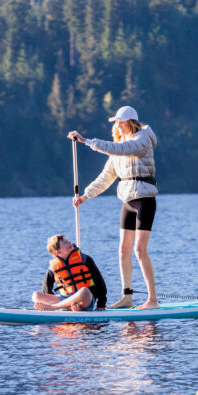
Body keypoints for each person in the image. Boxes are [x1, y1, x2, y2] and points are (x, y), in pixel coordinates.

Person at [68, 105, 158, 309]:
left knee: (140, 250)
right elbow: (106, 177)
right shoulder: (119, 146)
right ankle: (127, 298)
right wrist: (85, 196)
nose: (118, 126)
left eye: (122, 122)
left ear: (132, 123)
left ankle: (152, 300)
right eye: (117, 123)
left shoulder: (142, 139)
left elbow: (122, 149)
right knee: (123, 250)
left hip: (144, 199)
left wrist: (86, 141)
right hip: (127, 201)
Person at [32, 234, 107, 311]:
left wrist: (101, 303)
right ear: (59, 252)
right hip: (65, 299)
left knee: (84, 291)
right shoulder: (53, 268)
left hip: (84, 300)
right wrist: (50, 300)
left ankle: (55, 307)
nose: (69, 242)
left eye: (67, 240)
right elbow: (46, 289)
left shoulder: (85, 259)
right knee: (36, 295)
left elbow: (99, 281)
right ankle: (68, 307)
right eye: (65, 243)